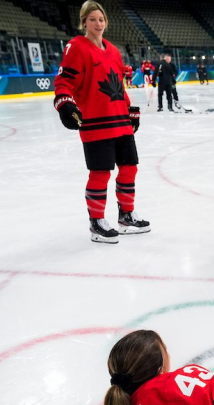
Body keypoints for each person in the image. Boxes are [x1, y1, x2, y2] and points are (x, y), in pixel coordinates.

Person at [53, 0, 150, 243]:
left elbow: (117, 84)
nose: (99, 24)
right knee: (101, 173)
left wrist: (130, 109)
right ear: (84, 21)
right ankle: (96, 221)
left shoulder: (114, 51)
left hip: (120, 121)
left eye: (102, 19)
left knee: (130, 167)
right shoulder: (76, 47)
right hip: (96, 123)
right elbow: (64, 83)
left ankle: (126, 216)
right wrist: (64, 103)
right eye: (93, 19)